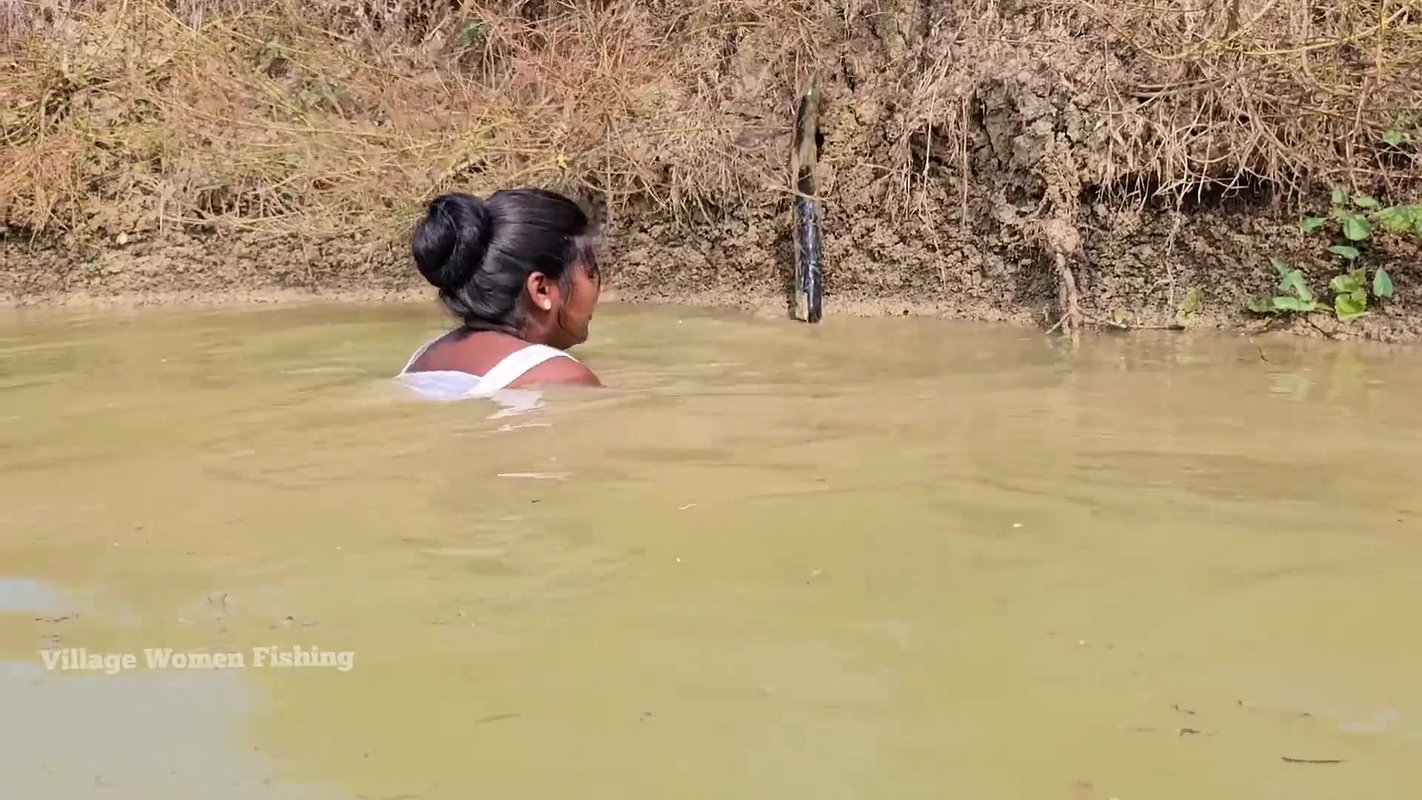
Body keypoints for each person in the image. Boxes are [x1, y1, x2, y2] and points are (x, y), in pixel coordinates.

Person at [395, 188, 603, 400]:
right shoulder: (562, 377)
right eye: (590, 273)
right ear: (541, 290)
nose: (596, 288)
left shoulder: (423, 360)